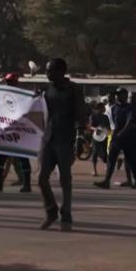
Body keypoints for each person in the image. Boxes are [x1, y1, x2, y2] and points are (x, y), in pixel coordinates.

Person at [36, 58, 82, 229]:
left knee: (65, 180)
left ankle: (66, 215)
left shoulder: (74, 89)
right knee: (41, 178)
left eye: (50, 71)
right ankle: (51, 211)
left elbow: (80, 114)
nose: (47, 74)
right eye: (46, 70)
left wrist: (79, 138)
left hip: (65, 139)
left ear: (62, 71)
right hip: (48, 138)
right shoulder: (46, 90)